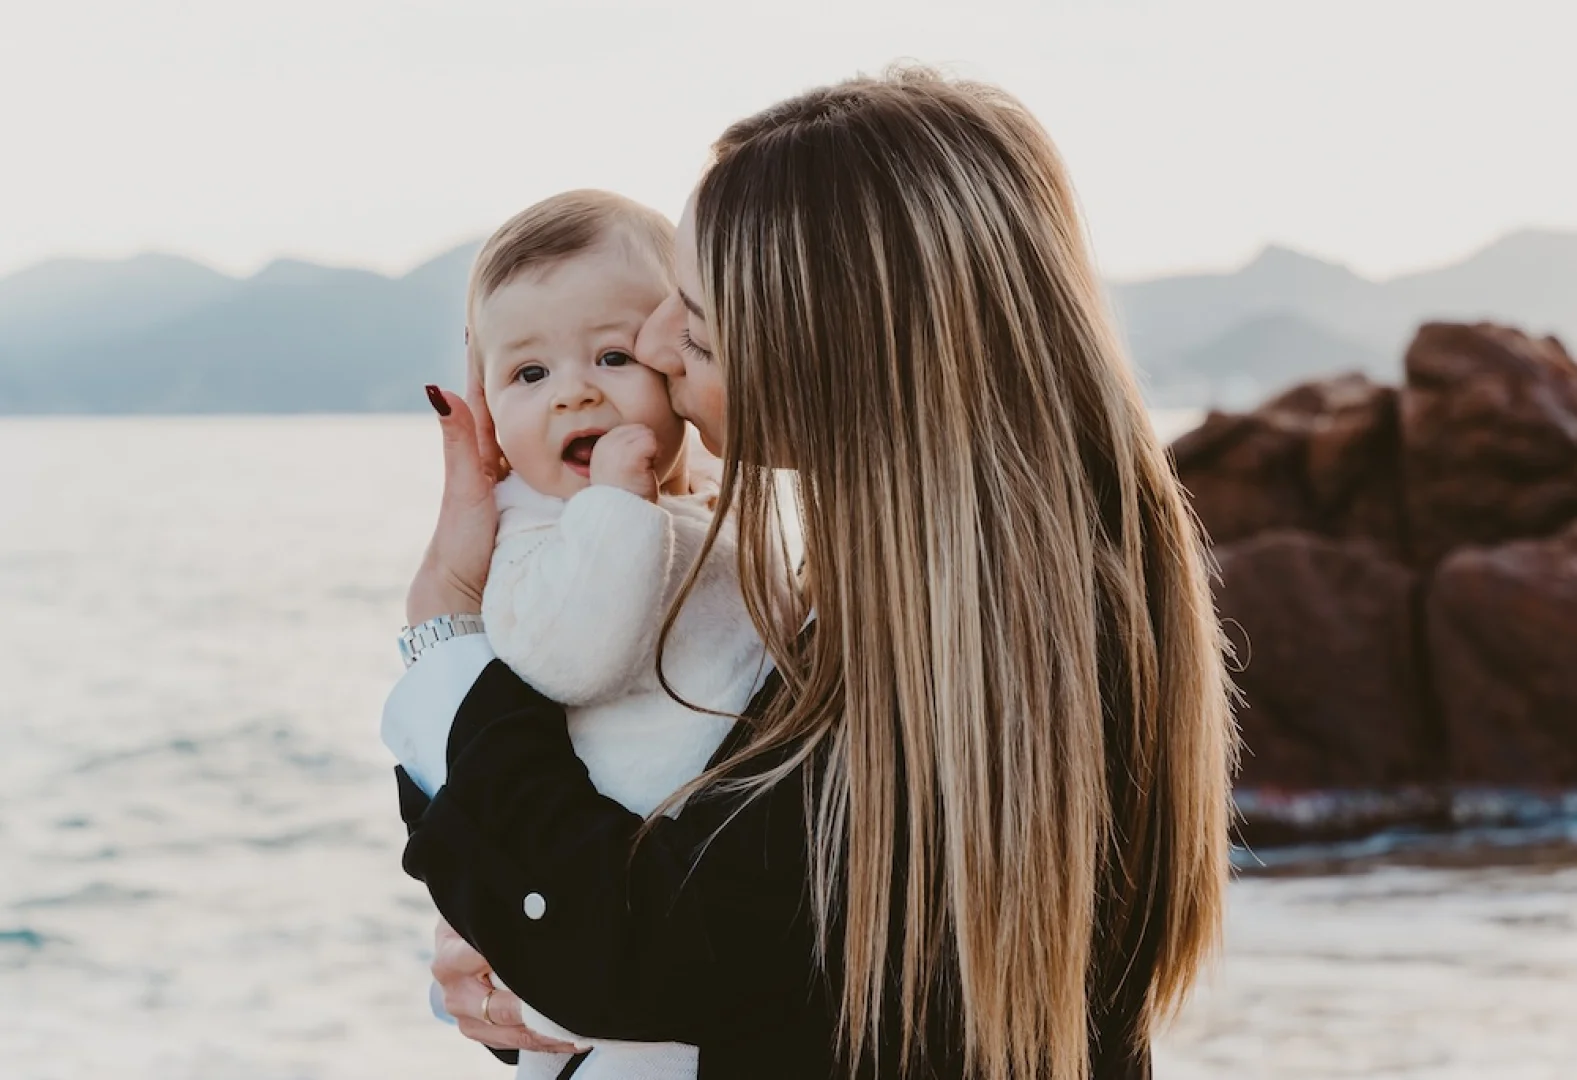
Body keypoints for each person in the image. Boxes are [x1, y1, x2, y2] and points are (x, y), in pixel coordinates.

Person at [384, 67, 1236, 1080]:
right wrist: (519, 950)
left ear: (836, 362)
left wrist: (446, 625)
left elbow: (646, 947)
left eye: (695, 324)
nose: (653, 344)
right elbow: (751, 958)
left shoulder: (957, 663)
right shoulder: (1018, 591)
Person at [410, 188, 781, 1079]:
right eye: (528, 374)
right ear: (485, 405)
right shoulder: (536, 534)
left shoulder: (705, 512)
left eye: (612, 356)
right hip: (606, 952)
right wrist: (615, 506)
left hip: (675, 935)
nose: (574, 391)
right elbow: (573, 660)